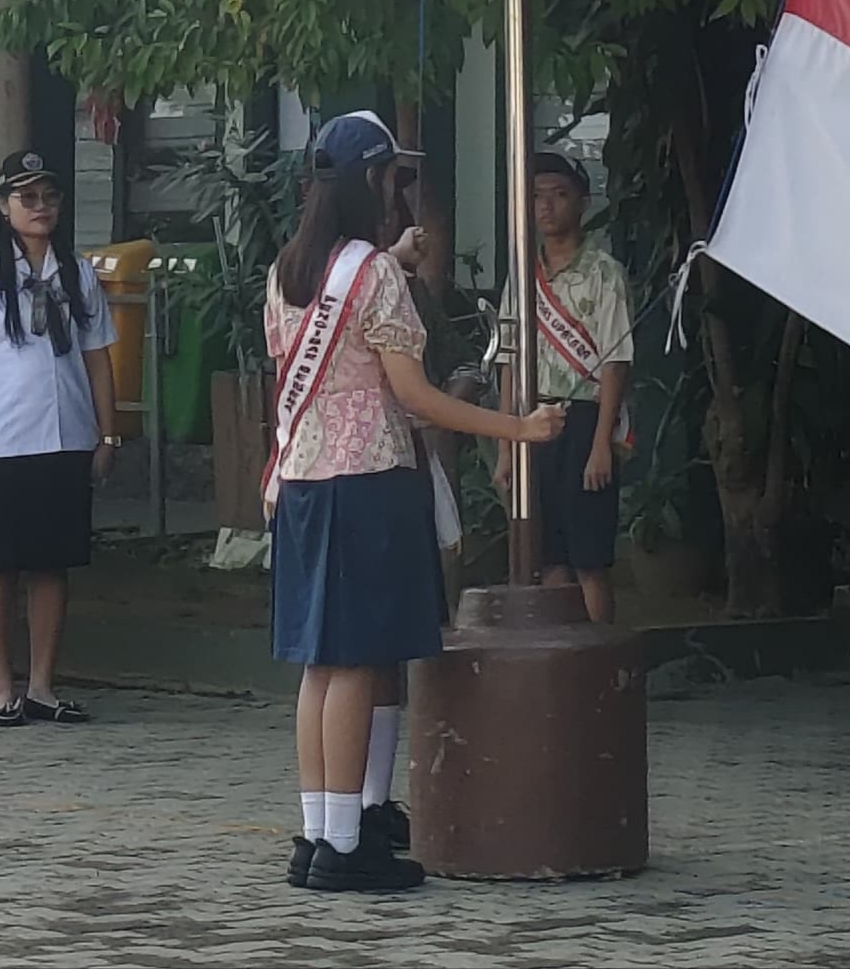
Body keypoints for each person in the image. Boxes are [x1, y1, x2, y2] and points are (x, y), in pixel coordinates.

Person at [264, 110, 562, 894]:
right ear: (372, 180)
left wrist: (388, 261)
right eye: (394, 176)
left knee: (322, 664)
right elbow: (416, 396)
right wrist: (518, 428)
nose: (400, 190)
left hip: (302, 478)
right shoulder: (373, 275)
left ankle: (319, 834)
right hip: (368, 480)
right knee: (358, 662)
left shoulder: (290, 267)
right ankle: (346, 849)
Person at [0, 151, 118, 728]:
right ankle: (1, 687)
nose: (41, 208)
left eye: (49, 196)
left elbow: (98, 357)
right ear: (3, 206)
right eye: (27, 197)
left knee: (51, 565)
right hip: (1, 439)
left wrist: (108, 433)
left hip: (65, 436)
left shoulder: (77, 272)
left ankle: (42, 684)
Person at [496, 152, 634, 624]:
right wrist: (505, 446)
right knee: (548, 556)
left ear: (582, 201)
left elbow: (616, 362)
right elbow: (509, 361)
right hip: (532, 421)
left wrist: (601, 444)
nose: (546, 206)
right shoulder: (523, 275)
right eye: (536, 196)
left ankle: (598, 656)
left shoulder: (604, 272)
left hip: (585, 420)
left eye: (559, 194)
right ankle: (558, 651)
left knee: (589, 558)